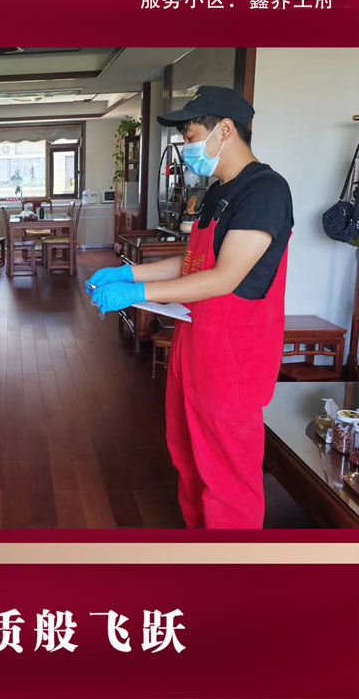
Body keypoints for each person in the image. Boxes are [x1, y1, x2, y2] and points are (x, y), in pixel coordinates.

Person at [87, 86, 294, 529]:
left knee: (227, 475)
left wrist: (139, 295)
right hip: (196, 341)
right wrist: (130, 273)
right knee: (188, 456)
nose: (186, 147)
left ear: (225, 129)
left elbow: (224, 277)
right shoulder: (219, 191)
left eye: (190, 135)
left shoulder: (265, 191)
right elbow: (195, 260)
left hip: (232, 357)